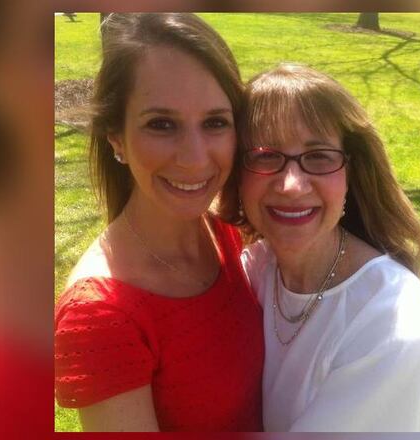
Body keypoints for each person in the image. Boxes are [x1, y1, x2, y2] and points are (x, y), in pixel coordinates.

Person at [220, 64, 420, 431]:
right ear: (238, 175)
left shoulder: (393, 330)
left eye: (319, 156)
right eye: (266, 155)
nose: (292, 185)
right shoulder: (254, 269)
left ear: (351, 173)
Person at [54, 14, 263, 432]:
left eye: (215, 122)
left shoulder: (228, 231)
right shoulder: (100, 315)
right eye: (161, 124)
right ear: (116, 137)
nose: (194, 158)